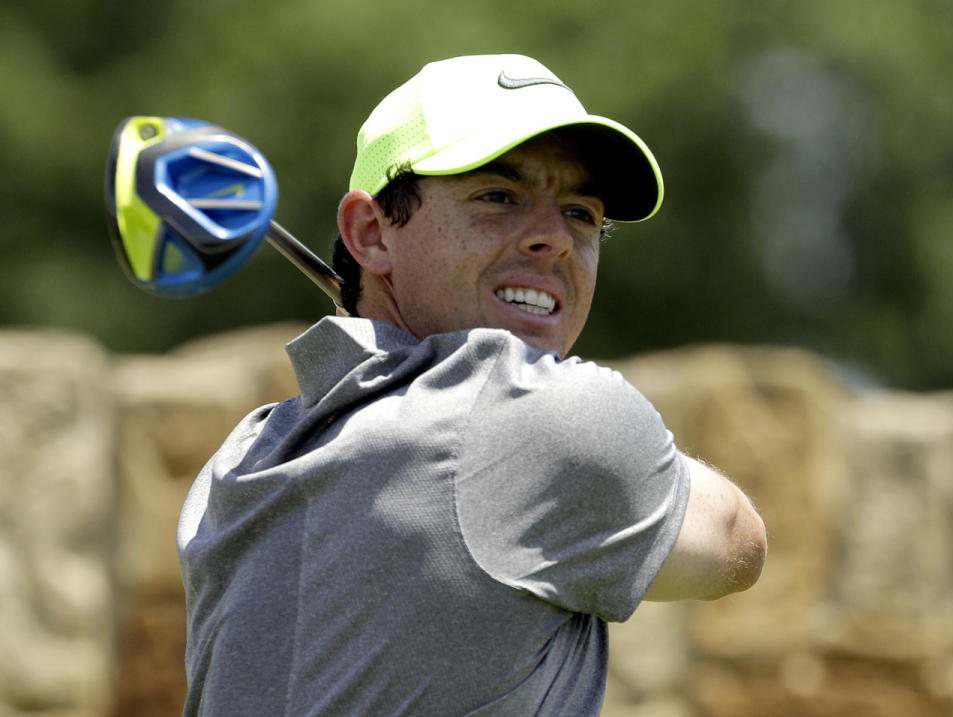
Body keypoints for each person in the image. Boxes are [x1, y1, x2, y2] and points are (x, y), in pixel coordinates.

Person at [177, 53, 766, 716]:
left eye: (580, 213)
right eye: (498, 197)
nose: (556, 240)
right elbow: (737, 543)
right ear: (371, 233)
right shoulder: (548, 419)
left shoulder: (239, 463)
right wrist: (580, 415)